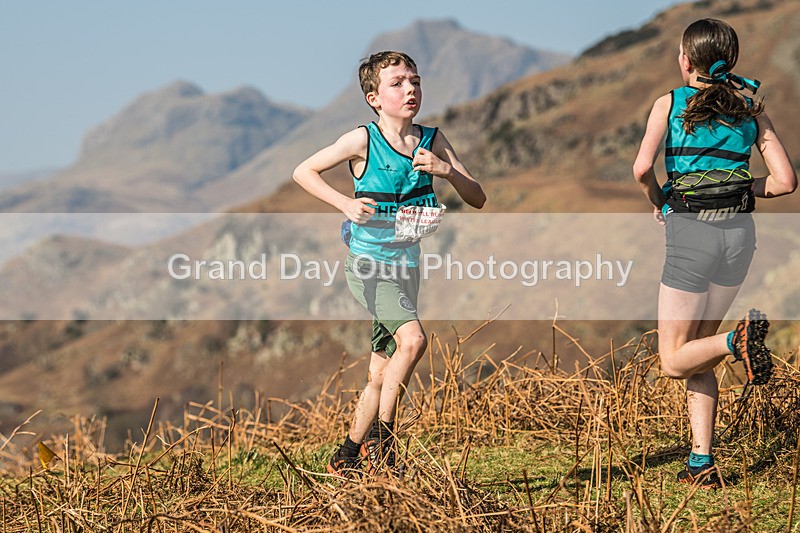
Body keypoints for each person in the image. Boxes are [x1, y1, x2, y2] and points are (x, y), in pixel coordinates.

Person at [293, 51, 485, 477]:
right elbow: (303, 171)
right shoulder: (362, 140)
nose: (410, 89)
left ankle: (346, 456)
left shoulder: (434, 140)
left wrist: (447, 171)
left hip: (407, 268)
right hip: (368, 266)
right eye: (397, 83)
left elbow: (478, 197)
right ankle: (384, 441)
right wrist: (345, 203)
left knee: (381, 371)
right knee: (414, 342)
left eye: (414, 80)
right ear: (374, 97)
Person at [633, 18, 796, 487]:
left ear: (685, 60)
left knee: (671, 359)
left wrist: (660, 199)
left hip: (691, 235)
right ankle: (702, 463)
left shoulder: (670, 103)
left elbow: (643, 168)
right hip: (739, 237)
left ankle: (736, 342)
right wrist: (738, 187)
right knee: (696, 351)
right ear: (732, 62)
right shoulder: (751, 110)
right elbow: (786, 183)